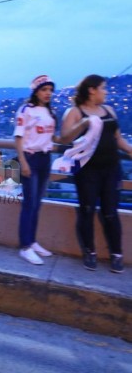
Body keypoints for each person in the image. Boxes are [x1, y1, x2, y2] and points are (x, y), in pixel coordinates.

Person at [60, 74, 132, 273]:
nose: (106, 91)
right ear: (92, 90)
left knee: (110, 212)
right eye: (103, 88)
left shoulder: (109, 110)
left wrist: (130, 150)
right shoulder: (75, 112)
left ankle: (116, 253)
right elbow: (65, 138)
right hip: (86, 170)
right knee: (87, 210)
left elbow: (117, 138)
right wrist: (82, 124)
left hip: (111, 168)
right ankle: (89, 251)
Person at [13, 75, 55, 265]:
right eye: (45, 90)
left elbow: (52, 137)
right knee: (29, 204)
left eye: (50, 90)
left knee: (37, 203)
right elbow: (19, 138)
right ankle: (25, 246)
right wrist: (23, 162)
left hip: (46, 158)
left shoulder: (48, 111)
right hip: (31, 158)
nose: (48, 93)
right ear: (36, 91)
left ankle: (32, 240)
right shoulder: (25, 110)